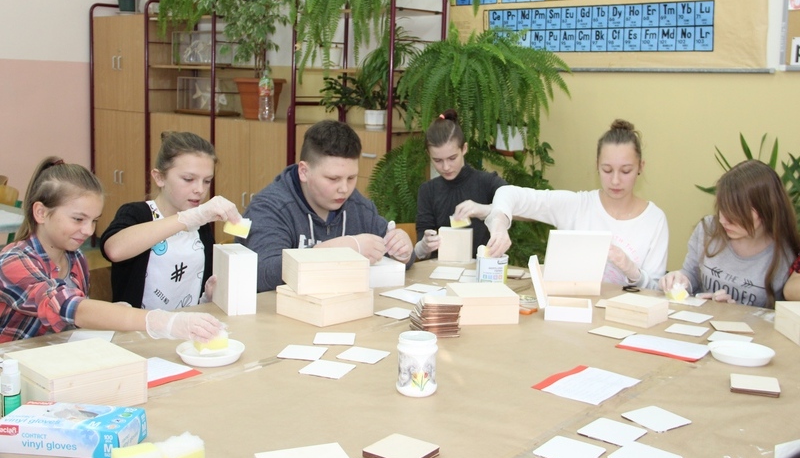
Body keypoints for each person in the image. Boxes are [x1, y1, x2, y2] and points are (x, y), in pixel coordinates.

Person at [0, 157, 223, 343]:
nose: (88, 231)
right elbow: (69, 307)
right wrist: (164, 322)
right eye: (78, 219)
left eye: (94, 221)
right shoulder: (13, 261)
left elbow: (74, 325)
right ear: (40, 213)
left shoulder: (75, 258)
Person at [481, 119, 668, 290]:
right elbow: (508, 193)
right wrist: (499, 223)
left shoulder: (654, 219)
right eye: (607, 170)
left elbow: (657, 291)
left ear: (640, 167)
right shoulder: (576, 206)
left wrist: (633, 272)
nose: (615, 180)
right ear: (597, 165)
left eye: (626, 171)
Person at [241, 120, 414, 292]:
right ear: (304, 172)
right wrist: (337, 250)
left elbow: (399, 257)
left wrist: (402, 252)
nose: (344, 189)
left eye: (351, 178)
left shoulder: (358, 206)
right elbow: (263, 273)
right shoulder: (269, 208)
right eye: (333, 179)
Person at [100, 132, 241, 309]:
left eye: (207, 181)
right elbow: (114, 250)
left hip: (187, 322)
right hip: (139, 324)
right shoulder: (137, 214)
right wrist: (188, 218)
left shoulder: (200, 226)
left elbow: (201, 283)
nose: (200, 189)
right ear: (159, 177)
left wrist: (210, 295)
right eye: (188, 179)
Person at [660, 160, 800, 308]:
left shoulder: (786, 253)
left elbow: (779, 313)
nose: (722, 220)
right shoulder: (708, 229)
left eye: (735, 212)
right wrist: (679, 281)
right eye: (722, 208)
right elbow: (691, 275)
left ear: (766, 209)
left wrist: (733, 311)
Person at [414, 110, 506, 259]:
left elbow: (519, 203)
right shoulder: (428, 191)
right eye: (437, 160)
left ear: (464, 149)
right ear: (429, 155)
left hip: (483, 268)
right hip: (439, 268)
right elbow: (421, 250)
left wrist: (484, 209)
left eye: (452, 158)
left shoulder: (486, 182)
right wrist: (424, 245)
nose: (446, 167)